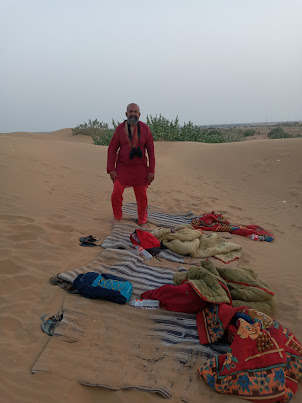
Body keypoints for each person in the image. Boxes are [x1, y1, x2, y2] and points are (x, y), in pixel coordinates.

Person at [107, 103, 155, 225]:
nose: (133, 114)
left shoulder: (145, 129)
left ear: (139, 114)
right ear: (126, 114)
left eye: (135, 112)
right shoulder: (119, 129)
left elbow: (151, 151)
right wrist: (111, 168)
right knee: (116, 193)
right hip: (123, 167)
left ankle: (142, 219)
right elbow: (112, 149)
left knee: (142, 197)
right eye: (130, 112)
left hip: (140, 168)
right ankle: (117, 217)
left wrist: (151, 170)